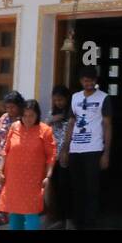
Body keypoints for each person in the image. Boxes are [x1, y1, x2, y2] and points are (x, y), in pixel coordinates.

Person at [61, 67, 112, 230]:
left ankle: (91, 223)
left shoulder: (104, 98)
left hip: (94, 148)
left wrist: (106, 153)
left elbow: (107, 124)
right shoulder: (75, 98)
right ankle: (78, 223)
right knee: (77, 188)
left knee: (92, 189)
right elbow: (70, 123)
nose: (88, 83)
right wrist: (65, 149)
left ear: (95, 80)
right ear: (80, 81)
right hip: (76, 149)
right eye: (85, 80)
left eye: (91, 80)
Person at [0, 98, 57, 230]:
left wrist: (48, 175)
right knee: (15, 212)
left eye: (31, 115)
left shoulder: (45, 130)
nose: (28, 119)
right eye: (25, 115)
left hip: (33, 180)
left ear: (37, 115)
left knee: (31, 213)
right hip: (13, 179)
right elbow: (5, 150)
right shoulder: (14, 127)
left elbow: (51, 155)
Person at [0, 90, 24, 230]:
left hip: (17, 165)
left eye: (13, 107)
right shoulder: (3, 119)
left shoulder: (25, 120)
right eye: (7, 107)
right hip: (0, 165)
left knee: (15, 201)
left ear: (19, 106)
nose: (10, 110)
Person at [45, 84, 73, 229]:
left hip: (65, 156)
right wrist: (53, 118)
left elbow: (71, 132)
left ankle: (68, 219)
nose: (58, 103)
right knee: (53, 187)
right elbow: (44, 128)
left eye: (61, 100)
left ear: (67, 99)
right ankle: (56, 218)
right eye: (55, 100)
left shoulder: (72, 114)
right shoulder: (52, 113)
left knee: (65, 187)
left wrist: (65, 151)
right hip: (52, 157)